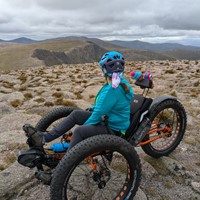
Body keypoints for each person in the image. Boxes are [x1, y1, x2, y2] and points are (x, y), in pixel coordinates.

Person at [24, 51, 134, 150]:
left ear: (104, 70)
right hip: (110, 120)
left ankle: (68, 162)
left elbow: (99, 113)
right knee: (76, 114)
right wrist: (92, 110)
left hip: (114, 129)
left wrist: (85, 127)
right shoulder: (121, 82)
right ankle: (44, 138)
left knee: (79, 131)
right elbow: (106, 107)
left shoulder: (112, 89)